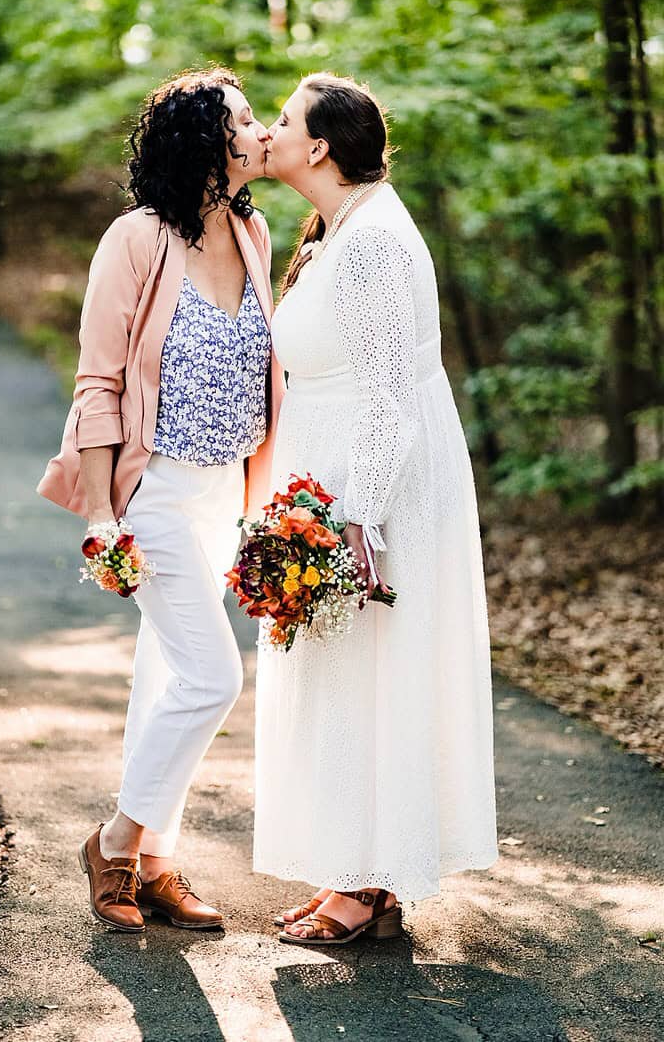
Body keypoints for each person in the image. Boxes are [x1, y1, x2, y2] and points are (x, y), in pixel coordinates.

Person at [254, 72, 498, 945]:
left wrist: (357, 518)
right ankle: (350, 869)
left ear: (319, 146)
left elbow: (392, 394)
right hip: (334, 478)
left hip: (374, 491)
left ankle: (367, 884)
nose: (270, 133)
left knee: (368, 671)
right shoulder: (342, 231)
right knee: (340, 671)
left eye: (281, 122)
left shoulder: (378, 242)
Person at [38, 67, 283, 933]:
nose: (262, 131)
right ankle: (113, 843)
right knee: (214, 676)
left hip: (225, 491)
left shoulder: (256, 233)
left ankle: (157, 867)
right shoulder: (136, 240)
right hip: (151, 489)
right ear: (207, 142)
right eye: (247, 120)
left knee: (167, 680)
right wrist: (104, 513)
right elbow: (99, 383)